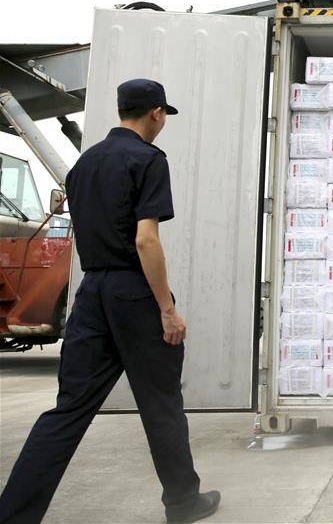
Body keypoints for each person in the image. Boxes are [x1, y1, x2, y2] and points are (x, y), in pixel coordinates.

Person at [0, 79, 220, 524]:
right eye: (163, 115)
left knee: (70, 408)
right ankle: (183, 503)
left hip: (92, 293)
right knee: (160, 403)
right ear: (156, 112)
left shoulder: (83, 166)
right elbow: (145, 240)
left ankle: (14, 514)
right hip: (133, 293)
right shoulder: (148, 159)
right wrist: (166, 308)